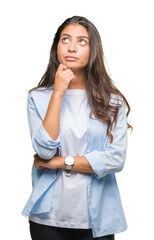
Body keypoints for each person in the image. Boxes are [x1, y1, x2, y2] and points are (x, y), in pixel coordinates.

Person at [22, 16, 132, 240]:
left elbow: (116, 159)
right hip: (47, 218)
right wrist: (58, 93)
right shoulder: (39, 98)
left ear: (93, 50)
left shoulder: (113, 101)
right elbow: (44, 151)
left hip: (98, 218)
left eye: (82, 41)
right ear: (56, 47)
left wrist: (60, 162)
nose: (72, 47)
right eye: (65, 39)